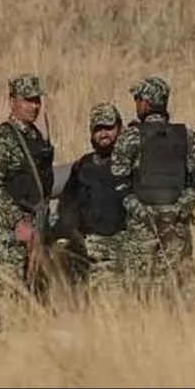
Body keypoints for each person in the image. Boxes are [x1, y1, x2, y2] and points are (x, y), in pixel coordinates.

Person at [110, 76, 195, 294]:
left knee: (140, 292)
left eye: (137, 99)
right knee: (177, 291)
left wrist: (142, 213)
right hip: (176, 230)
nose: (136, 104)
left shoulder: (130, 137)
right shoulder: (186, 136)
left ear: (145, 103)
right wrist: (177, 210)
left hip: (141, 231)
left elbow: (119, 182)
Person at [0, 74, 55, 297]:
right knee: (10, 295)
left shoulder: (35, 136)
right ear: (13, 101)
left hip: (35, 225)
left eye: (37, 100)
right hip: (9, 232)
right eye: (27, 100)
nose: (34, 106)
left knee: (38, 294)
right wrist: (17, 220)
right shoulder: (1, 137)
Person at [53, 102, 127, 291]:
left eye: (109, 128)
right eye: (98, 129)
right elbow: (67, 206)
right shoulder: (82, 167)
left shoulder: (131, 163)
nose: (104, 134)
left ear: (119, 129)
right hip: (87, 250)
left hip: (122, 250)